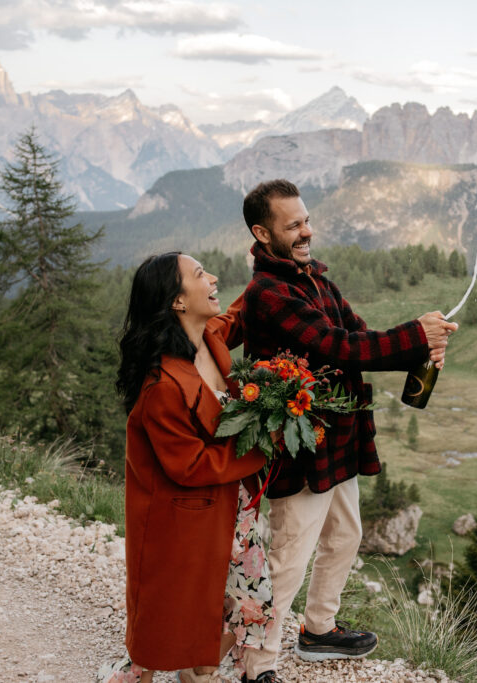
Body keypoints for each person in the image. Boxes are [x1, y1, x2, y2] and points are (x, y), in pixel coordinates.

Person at [239, 179, 458, 682]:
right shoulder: (268, 294)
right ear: (262, 232)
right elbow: (337, 346)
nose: (305, 231)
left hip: (335, 437)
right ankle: (258, 663)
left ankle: (318, 630)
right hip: (299, 445)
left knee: (345, 534)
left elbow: (359, 336)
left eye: (306, 220)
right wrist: (416, 337)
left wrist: (423, 346)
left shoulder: (316, 281)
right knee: (291, 553)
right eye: (292, 225)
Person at [106, 252, 274, 683]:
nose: (213, 277)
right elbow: (190, 465)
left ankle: (197, 669)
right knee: (179, 608)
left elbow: (236, 314)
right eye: (200, 274)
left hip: (231, 504)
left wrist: (270, 271)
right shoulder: (162, 385)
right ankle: (164, 668)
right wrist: (260, 445)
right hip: (186, 513)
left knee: (252, 602)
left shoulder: (209, 338)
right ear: (177, 301)